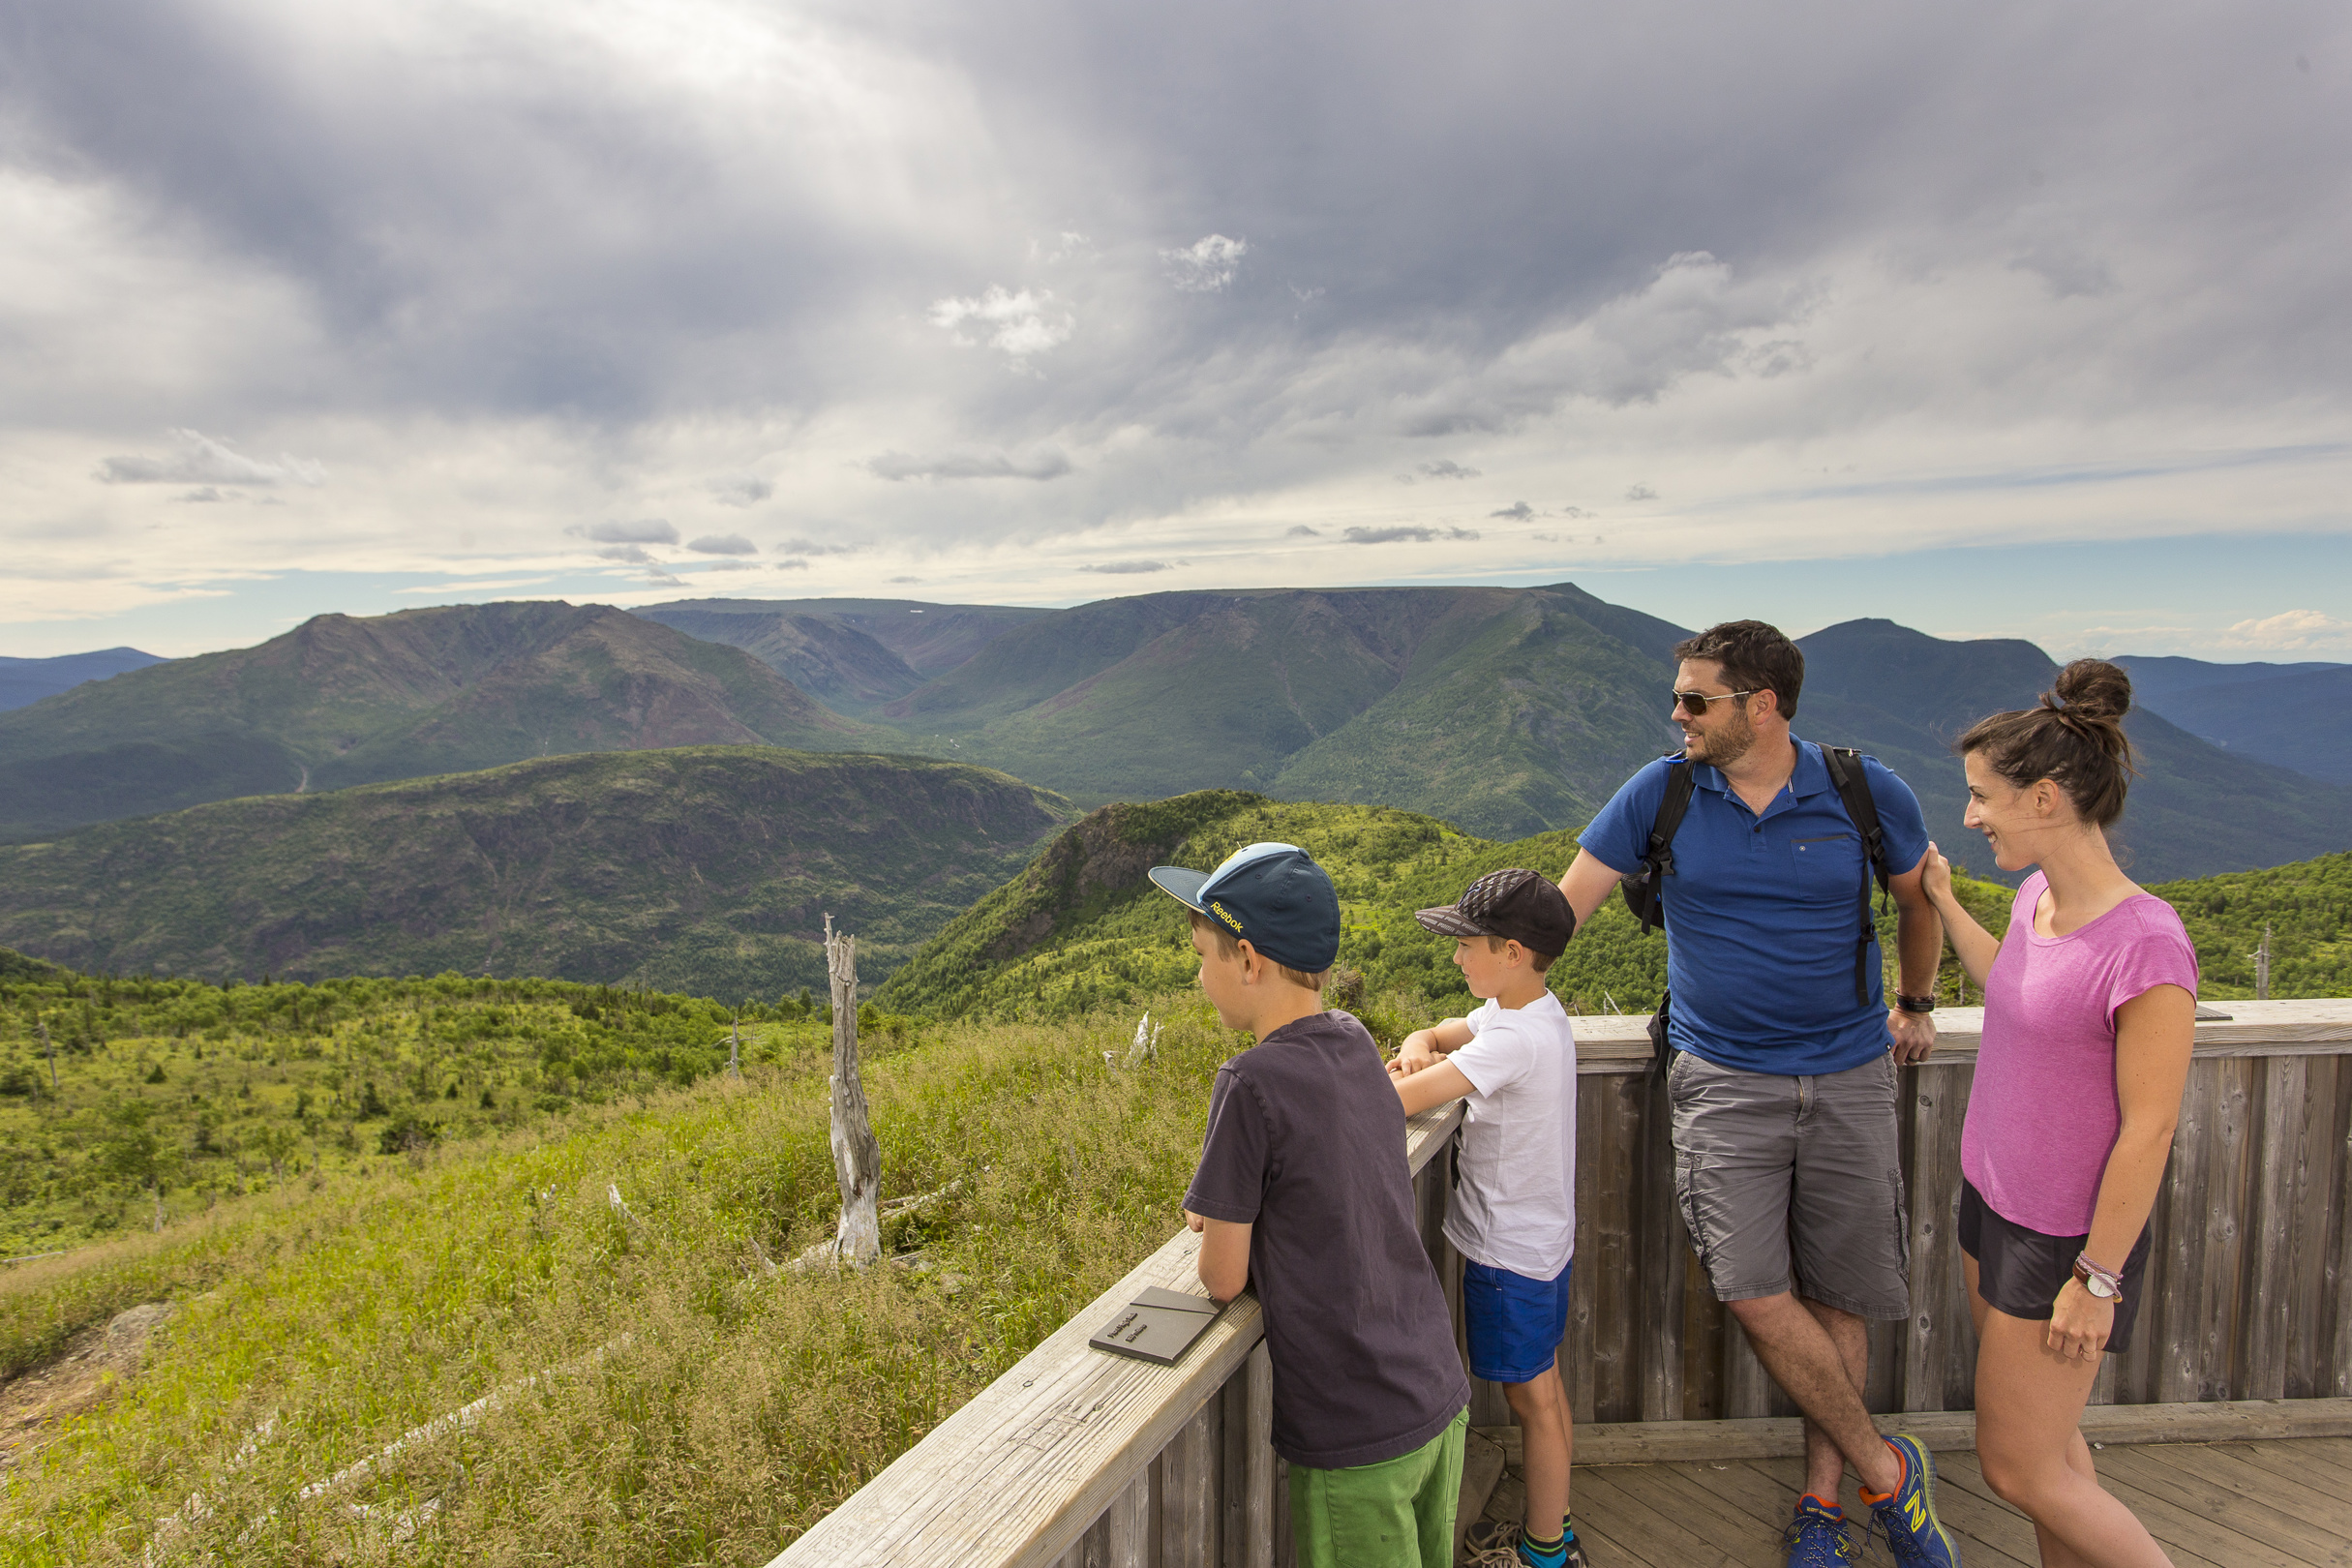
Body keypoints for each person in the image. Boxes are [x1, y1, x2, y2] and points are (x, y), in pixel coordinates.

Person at [1553, 620, 1961, 1568]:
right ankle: (1889, 1472)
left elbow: (1914, 900)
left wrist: (1916, 1003)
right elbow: (1558, 911)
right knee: (1751, 1288)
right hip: (1723, 1077)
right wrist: (1479, 1017)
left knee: (1842, 1294)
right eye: (1679, 698)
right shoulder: (1658, 795)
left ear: (1762, 706)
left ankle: (1824, 1507)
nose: (1678, 715)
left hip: (1853, 1071)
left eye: (1697, 700)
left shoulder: (1864, 791)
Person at [1919, 660, 2195, 1568]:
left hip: (2064, 1240)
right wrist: (1948, 904)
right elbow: (2014, 986)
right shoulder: (2040, 899)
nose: (1970, 816)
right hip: (1991, 1203)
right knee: (2054, 1455)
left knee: (2018, 1469)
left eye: (1981, 798)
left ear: (2044, 798)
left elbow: (2149, 1128)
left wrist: (2099, 1277)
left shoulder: (2146, 943)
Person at [1162, 841, 1472, 1568]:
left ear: (1248, 959)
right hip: (1433, 1386)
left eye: (1203, 955)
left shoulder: (1249, 1081)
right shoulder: (1353, 1039)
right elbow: (1328, 1168)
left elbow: (1221, 1279)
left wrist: (1218, 1216)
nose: (1199, 973)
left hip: (1355, 1426)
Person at [1389, 867, 1586, 1568]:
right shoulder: (1526, 1012)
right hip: (1541, 1246)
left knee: (1530, 1401)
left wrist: (1402, 1073)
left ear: (1510, 952)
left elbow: (1400, 1105)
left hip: (1509, 1258)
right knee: (1545, 1388)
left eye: (1467, 944)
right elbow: (1434, 1035)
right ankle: (1553, 1529)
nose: (1455, 956)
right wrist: (1417, 1047)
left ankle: (1541, 1555)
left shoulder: (1510, 1040)